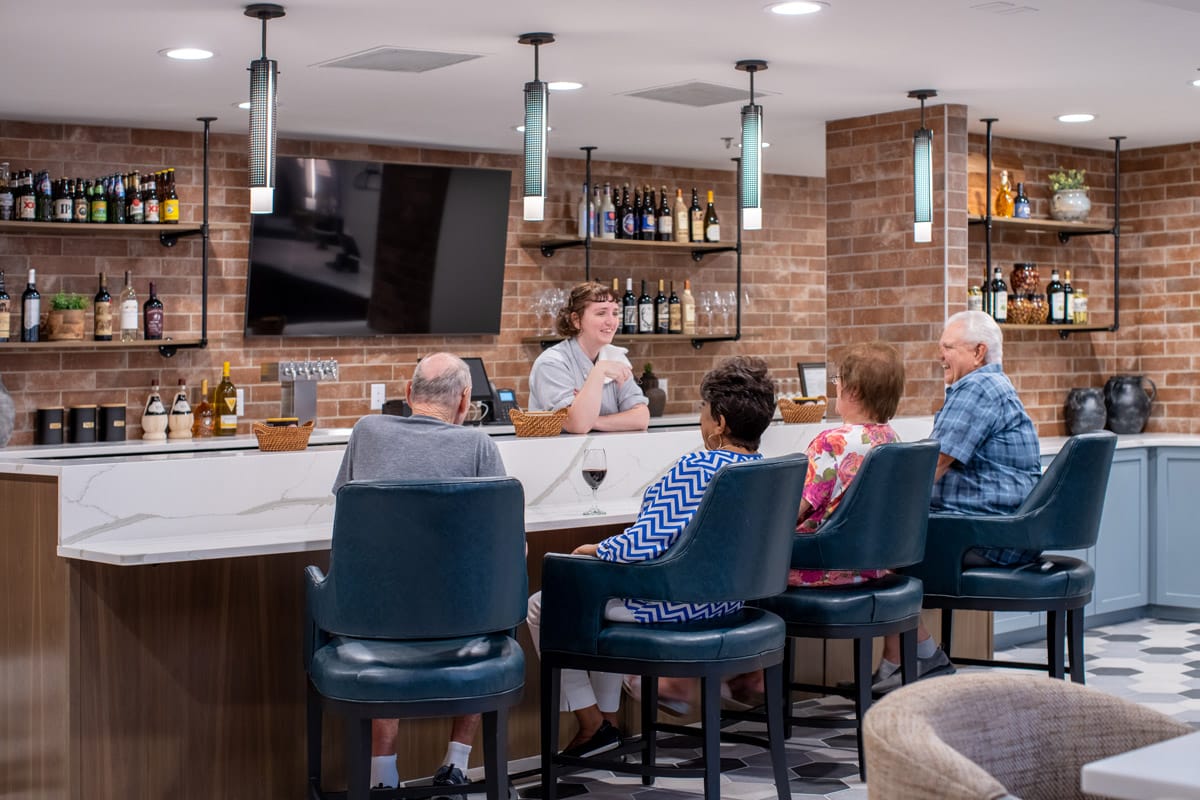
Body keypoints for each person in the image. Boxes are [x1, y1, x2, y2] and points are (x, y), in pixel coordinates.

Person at [525, 356, 776, 756]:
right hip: (728, 604)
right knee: (599, 593)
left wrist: (596, 548)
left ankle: (593, 723)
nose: (701, 417)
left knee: (543, 605)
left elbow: (642, 545)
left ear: (721, 422)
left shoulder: (698, 467)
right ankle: (608, 721)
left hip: (677, 606)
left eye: (703, 409)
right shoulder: (768, 471)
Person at [332, 352, 506, 794]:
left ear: (408, 395)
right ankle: (457, 762)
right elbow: (502, 549)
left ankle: (383, 774)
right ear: (466, 402)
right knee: (490, 603)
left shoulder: (366, 432)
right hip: (459, 623)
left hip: (375, 622)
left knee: (384, 603)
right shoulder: (480, 447)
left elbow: (351, 515)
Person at [874, 310, 1040, 693]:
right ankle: (909, 658)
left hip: (988, 535)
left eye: (948, 347)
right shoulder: (994, 387)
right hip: (1007, 530)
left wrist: (871, 499)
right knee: (888, 543)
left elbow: (933, 465)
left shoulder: (978, 388)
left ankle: (913, 658)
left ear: (979, 353)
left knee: (879, 546)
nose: (940, 356)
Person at [528, 281, 650, 434]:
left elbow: (641, 418)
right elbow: (577, 425)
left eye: (615, 313)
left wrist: (592, 420)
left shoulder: (616, 358)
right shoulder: (551, 363)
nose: (611, 322)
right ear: (576, 320)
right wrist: (599, 371)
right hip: (560, 456)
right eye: (601, 313)